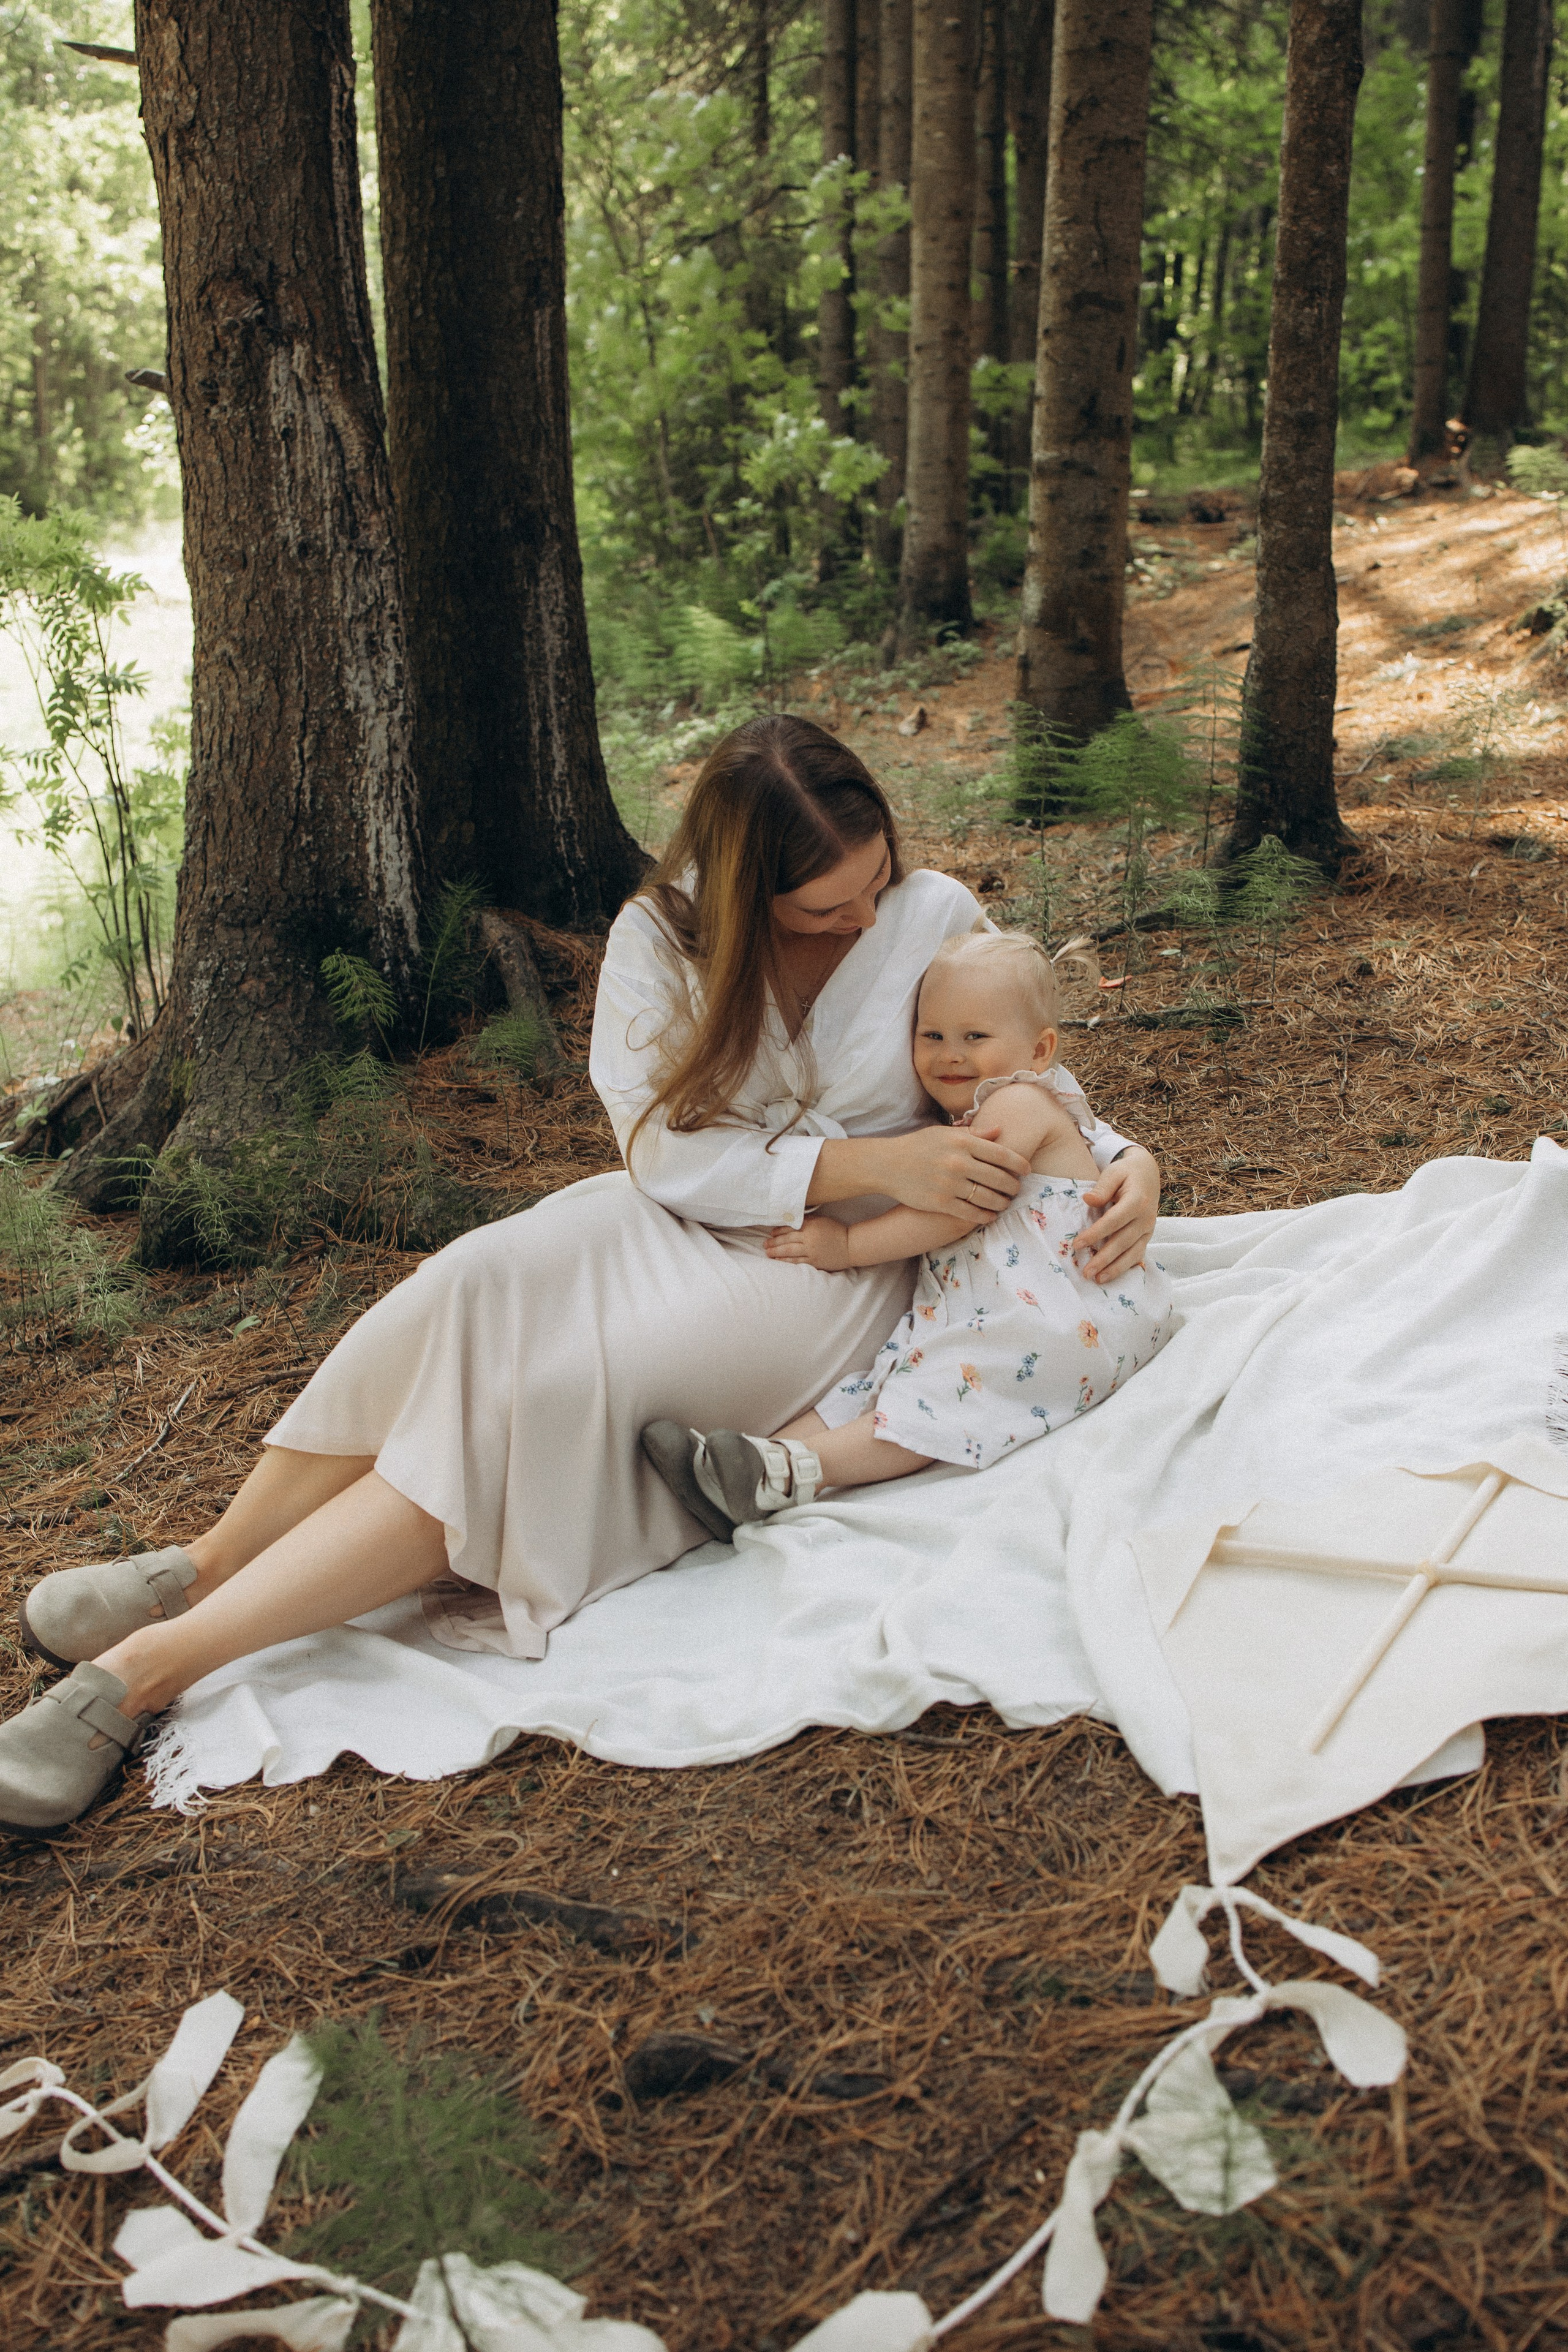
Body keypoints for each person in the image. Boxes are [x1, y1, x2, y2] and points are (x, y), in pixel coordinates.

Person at [0, 716, 1160, 1832]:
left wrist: (1134, 1163)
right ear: (747, 890)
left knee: (533, 1406)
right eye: (826, 905)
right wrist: (873, 1151)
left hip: (844, 1266)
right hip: (674, 1211)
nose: (866, 916)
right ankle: (201, 1567)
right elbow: (663, 1152)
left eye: (876, 880)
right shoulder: (658, 943)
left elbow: (1025, 1081)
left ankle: (140, 1677)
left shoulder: (933, 913)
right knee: (468, 1283)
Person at [641, 929, 1173, 1534]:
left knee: (946, 1389)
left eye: (975, 1037)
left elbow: (959, 1208)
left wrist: (848, 1246)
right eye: (932, 1035)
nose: (950, 1054)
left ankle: (790, 1470)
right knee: (881, 1383)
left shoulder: (1017, 1103)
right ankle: (737, 1466)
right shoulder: (975, 1112)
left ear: (1039, 1049)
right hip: (993, 1304)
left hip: (1068, 1314)